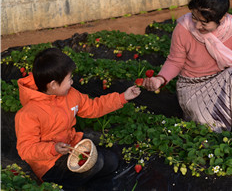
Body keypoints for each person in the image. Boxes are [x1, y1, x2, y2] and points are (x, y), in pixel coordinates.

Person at [143, 0, 232, 140]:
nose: (197, 25)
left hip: (225, 85)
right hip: (193, 87)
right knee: (210, 132)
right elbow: (175, 61)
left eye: (204, 22)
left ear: (221, 19)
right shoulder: (183, 28)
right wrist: (160, 79)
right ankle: (218, 125)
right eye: (194, 17)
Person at [15, 48, 141, 190]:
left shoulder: (71, 94)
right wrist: (53, 148)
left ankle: (83, 183)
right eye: (69, 79)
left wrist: (123, 97)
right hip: (49, 164)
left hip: (73, 147)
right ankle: (64, 187)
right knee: (97, 163)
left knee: (111, 161)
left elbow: (93, 107)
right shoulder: (28, 114)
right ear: (53, 85)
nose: (72, 82)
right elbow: (25, 149)